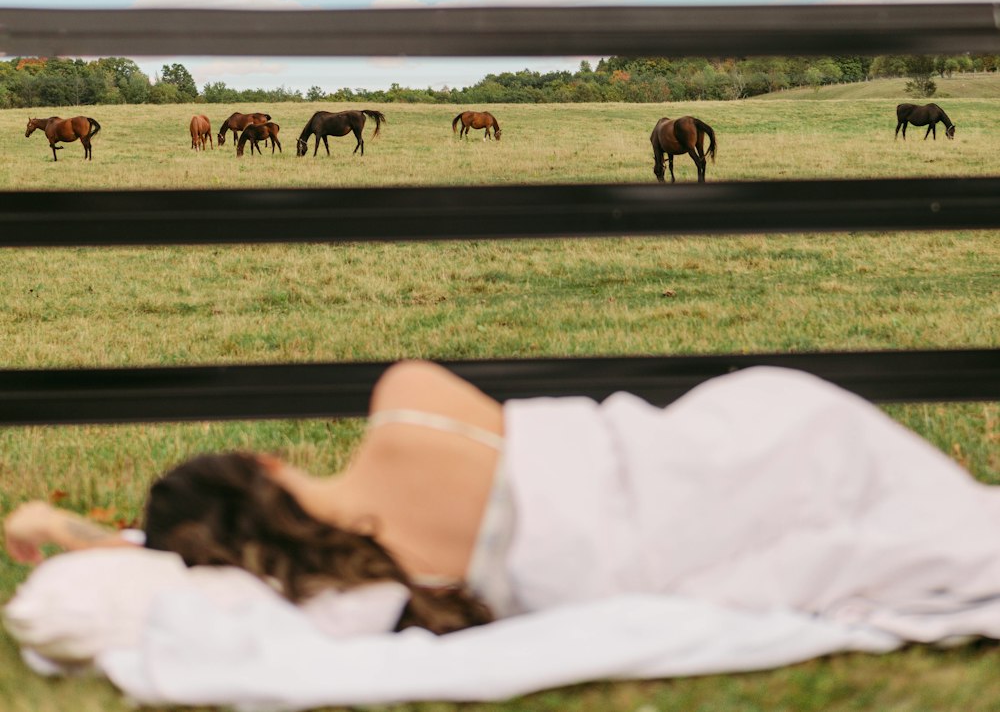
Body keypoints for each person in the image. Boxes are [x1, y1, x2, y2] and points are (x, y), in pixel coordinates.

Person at [7, 360, 1000, 642]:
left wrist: (96, 536)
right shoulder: (406, 406)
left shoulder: (348, 586)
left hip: (652, 549)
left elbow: (193, 558)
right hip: (750, 447)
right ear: (265, 465)